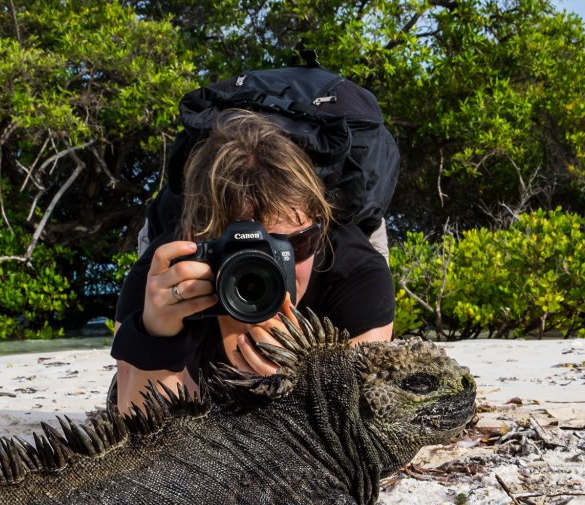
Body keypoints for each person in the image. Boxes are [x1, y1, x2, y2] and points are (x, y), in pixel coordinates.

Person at [110, 110, 395, 413]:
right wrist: (157, 338)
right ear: (199, 242)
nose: (262, 269)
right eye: (237, 253)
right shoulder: (166, 275)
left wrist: (306, 381)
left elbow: (368, 421)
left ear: (319, 227)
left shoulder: (358, 273)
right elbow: (142, 434)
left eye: (296, 244)